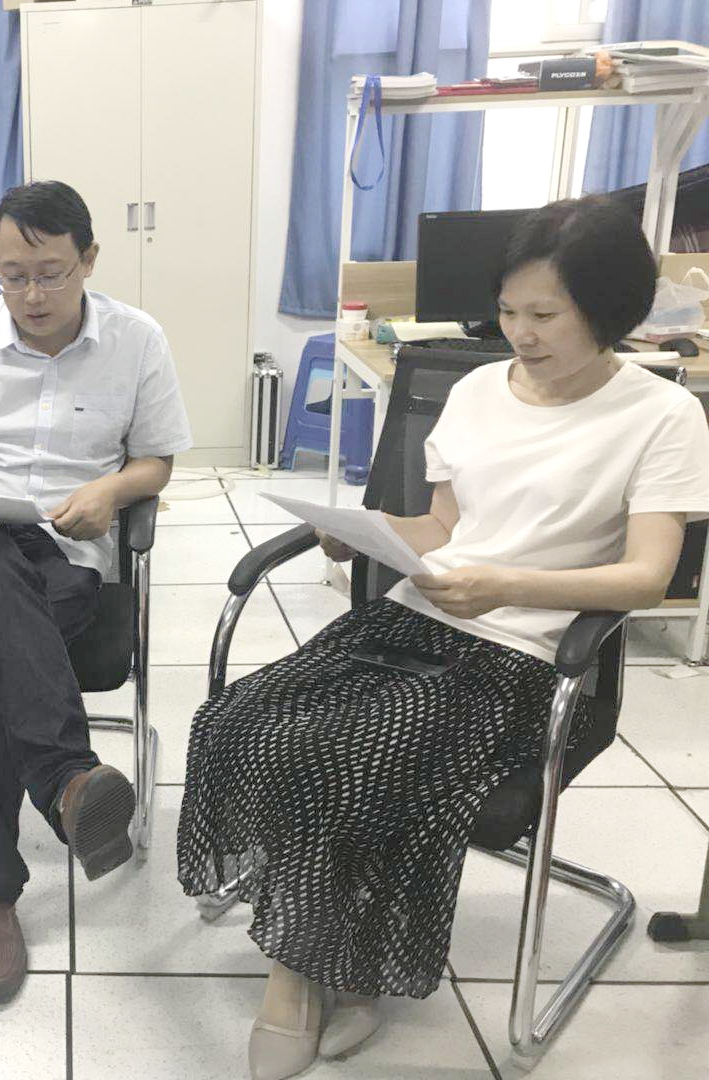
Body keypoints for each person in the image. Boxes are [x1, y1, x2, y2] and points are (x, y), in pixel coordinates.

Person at [176, 195, 709, 1080]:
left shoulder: (661, 415)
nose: (520, 334)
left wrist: (506, 585)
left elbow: (647, 576)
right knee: (242, 721)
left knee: (345, 756)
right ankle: (339, 954)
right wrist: (367, 534)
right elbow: (442, 530)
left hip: (527, 653)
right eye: (508, 311)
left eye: (545, 315)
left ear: (609, 308)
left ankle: (296, 977)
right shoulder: (475, 390)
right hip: (420, 616)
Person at [0, 180, 193, 1004]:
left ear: (88, 260)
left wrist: (112, 490)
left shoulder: (137, 340)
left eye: (50, 274)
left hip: (67, 553)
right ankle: (65, 776)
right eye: (13, 275)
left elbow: (157, 461)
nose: (31, 295)